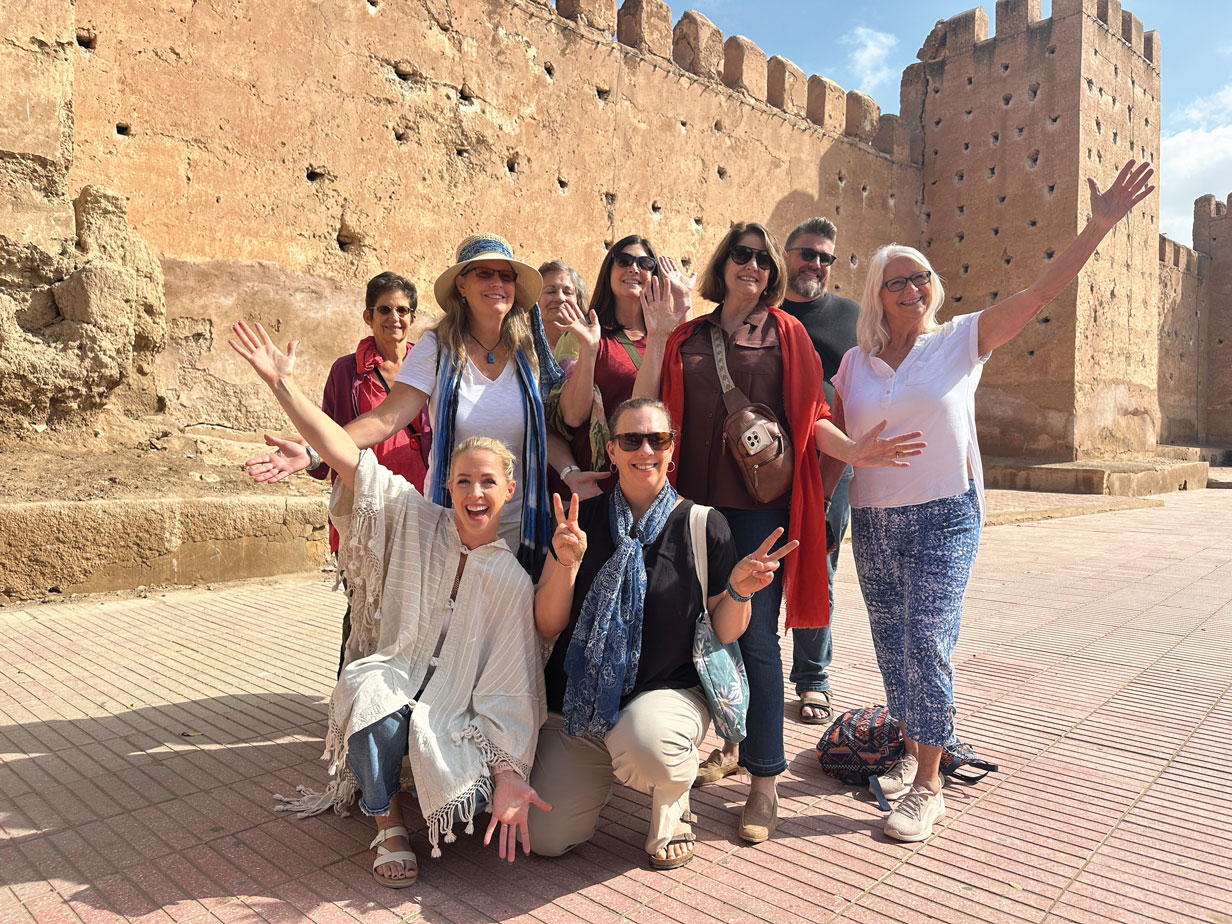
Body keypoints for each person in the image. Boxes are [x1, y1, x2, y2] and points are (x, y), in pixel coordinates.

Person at [834, 160, 1155, 842]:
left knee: (928, 639)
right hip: (875, 519)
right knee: (893, 644)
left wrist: (1097, 228)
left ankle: (928, 786)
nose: (913, 289)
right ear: (877, 295)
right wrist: (853, 452)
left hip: (946, 515)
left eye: (921, 277)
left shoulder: (960, 340)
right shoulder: (855, 363)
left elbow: (1039, 293)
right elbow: (819, 422)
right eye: (898, 282)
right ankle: (914, 749)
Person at [633, 221, 926, 843]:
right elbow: (646, 409)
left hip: (758, 514)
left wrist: (854, 450)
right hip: (690, 512)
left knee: (757, 640)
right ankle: (704, 758)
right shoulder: (687, 337)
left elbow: (811, 414)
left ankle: (764, 781)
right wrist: (657, 337)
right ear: (723, 264)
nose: (753, 267)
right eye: (741, 255)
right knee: (690, 631)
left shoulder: (787, 333)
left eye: (764, 260)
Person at [229, 320, 550, 885]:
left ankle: (433, 790)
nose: (475, 493)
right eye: (463, 481)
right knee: (365, 688)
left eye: (487, 483)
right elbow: (349, 457)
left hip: (458, 708)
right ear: (446, 485)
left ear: (510, 490)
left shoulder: (513, 579)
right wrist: (283, 386)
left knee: (470, 790)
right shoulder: (417, 520)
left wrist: (508, 771)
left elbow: (511, 686)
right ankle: (388, 823)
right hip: (403, 675)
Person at [528, 397, 797, 869]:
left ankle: (672, 802)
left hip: (666, 694)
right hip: (580, 704)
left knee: (648, 744)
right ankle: (605, 770)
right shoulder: (580, 520)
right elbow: (548, 624)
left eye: (658, 439)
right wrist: (566, 564)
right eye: (632, 440)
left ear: (672, 448)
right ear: (612, 450)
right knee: (544, 837)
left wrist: (739, 592)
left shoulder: (702, 524)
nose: (646, 450)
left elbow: (725, 632)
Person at [246, 234, 560, 576]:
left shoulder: (530, 352)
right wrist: (312, 450)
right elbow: (384, 419)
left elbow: (551, 427)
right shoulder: (438, 347)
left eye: (506, 275)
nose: (497, 283)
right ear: (462, 285)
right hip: (453, 525)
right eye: (484, 273)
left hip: (523, 526)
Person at [244, 271, 432, 675]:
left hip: (422, 504)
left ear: (413, 317)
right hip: (365, 504)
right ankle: (352, 691)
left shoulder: (430, 366)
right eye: (384, 310)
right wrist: (310, 453)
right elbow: (332, 431)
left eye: (403, 310)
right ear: (368, 316)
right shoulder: (348, 372)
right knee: (365, 605)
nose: (394, 318)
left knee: (417, 607)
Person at [780, 219, 861, 726]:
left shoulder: (851, 317)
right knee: (756, 564)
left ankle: (813, 678)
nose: (815, 264)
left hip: (830, 464)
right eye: (807, 253)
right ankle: (749, 670)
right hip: (763, 464)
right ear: (785, 254)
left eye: (825, 257)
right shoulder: (762, 312)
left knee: (818, 567)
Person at [547, 237, 693, 494]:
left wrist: (683, 300)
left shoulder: (665, 336)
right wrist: (590, 349)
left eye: (645, 263)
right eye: (624, 260)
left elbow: (687, 384)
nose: (634, 268)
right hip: (593, 488)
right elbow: (572, 416)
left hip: (652, 487)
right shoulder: (583, 334)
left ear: (654, 275)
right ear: (609, 271)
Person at [537, 260, 587, 354]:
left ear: (579, 300)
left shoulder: (590, 343)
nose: (560, 298)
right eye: (551, 291)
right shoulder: (520, 347)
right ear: (536, 300)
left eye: (568, 292)